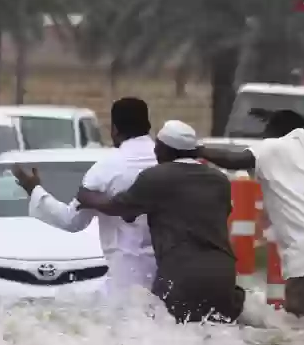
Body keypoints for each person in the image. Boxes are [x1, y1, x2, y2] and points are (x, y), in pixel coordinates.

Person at [197, 109, 304, 319]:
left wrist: (196, 149)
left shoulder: (271, 148)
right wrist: (303, 119)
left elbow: (232, 159)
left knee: (302, 329)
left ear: (273, 132)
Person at [76, 121, 245, 323]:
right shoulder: (220, 180)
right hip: (223, 274)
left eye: (157, 146)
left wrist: (87, 197)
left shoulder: (156, 177)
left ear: (165, 150)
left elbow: (120, 209)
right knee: (219, 336)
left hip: (181, 275)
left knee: (172, 338)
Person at [10, 97, 158, 294]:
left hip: (125, 280)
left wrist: (34, 190)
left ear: (114, 129)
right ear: (147, 125)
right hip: (169, 276)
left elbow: (71, 221)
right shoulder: (169, 161)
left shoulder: (106, 169)